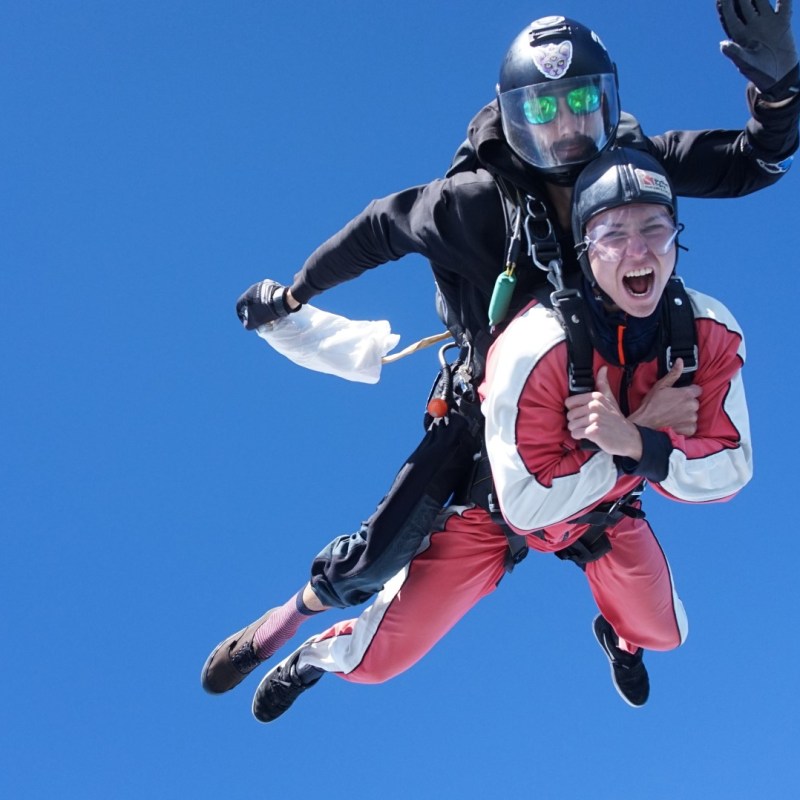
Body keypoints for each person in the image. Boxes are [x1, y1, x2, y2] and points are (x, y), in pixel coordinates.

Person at [202, 4, 796, 698]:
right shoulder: (471, 204)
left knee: (660, 625)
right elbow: (376, 230)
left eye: (583, 103)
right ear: (511, 118)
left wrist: (779, 92)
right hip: (495, 429)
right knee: (376, 560)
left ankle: (623, 633)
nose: (569, 129)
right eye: (545, 109)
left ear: (608, 106)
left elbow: (754, 159)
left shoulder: (632, 173)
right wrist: (295, 295)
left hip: (604, 412)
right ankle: (285, 632)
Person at [248, 146, 752, 721]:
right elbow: (527, 506)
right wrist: (645, 440)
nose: (638, 251)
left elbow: (730, 471)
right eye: (614, 234)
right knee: (378, 659)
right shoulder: (535, 343)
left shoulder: (704, 330)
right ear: (584, 245)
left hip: (600, 511)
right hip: (495, 510)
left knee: (664, 633)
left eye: (655, 229)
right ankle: (311, 659)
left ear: (677, 236)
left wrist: (632, 443)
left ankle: (622, 638)